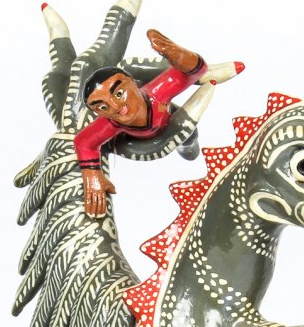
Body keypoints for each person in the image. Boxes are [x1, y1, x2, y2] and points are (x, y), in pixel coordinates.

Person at [75, 29, 207, 217]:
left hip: (169, 119)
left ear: (132, 83)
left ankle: (189, 149)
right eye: (103, 107)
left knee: (190, 137)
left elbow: (197, 71)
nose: (115, 107)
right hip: (134, 142)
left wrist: (178, 54)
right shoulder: (110, 123)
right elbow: (83, 142)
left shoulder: (159, 92)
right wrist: (92, 176)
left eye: (119, 94)